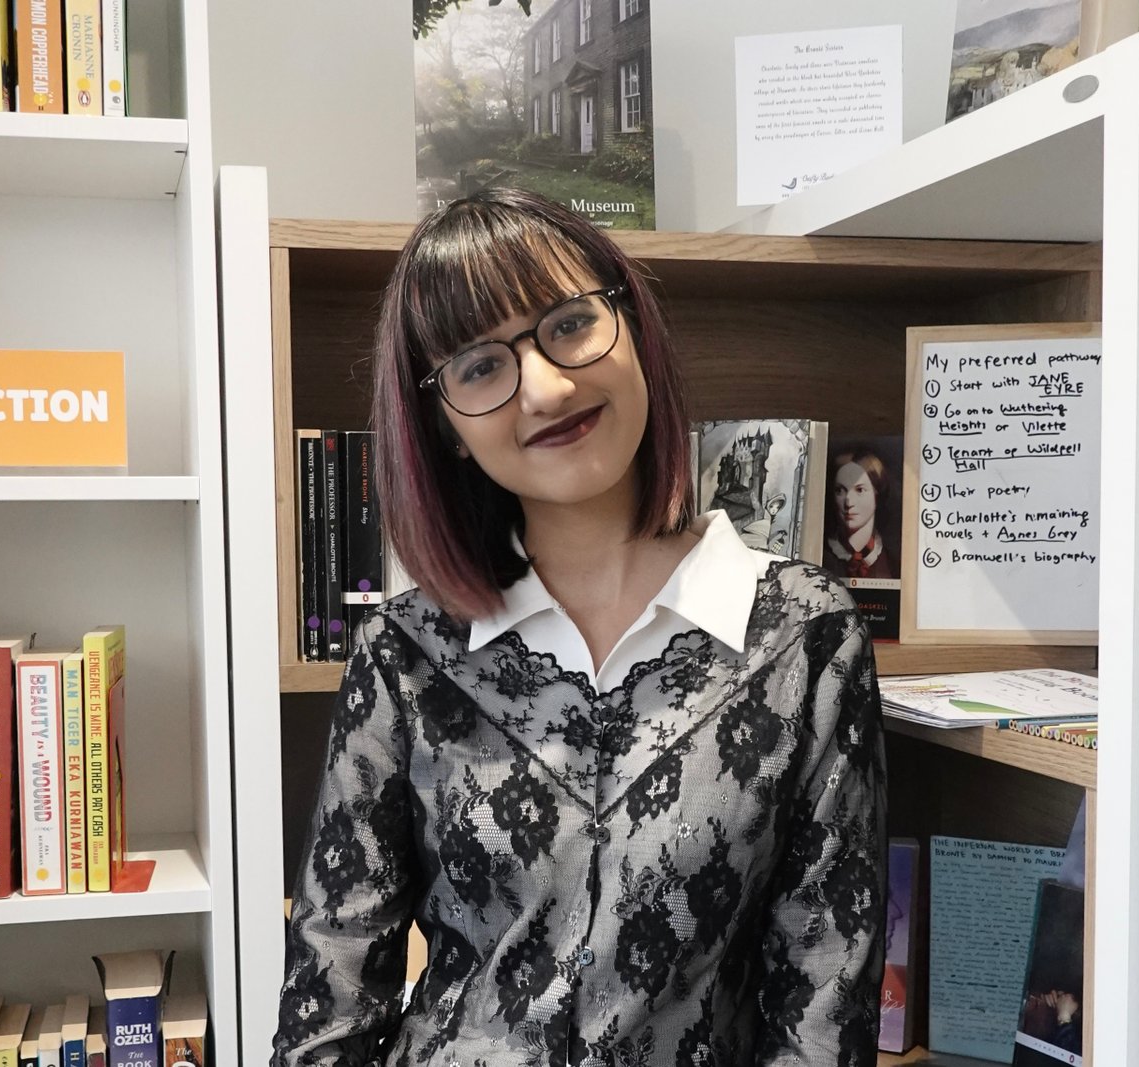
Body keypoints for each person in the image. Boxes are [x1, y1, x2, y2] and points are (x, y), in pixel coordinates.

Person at [273, 189, 887, 1066]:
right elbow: (328, 1007)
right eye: (480, 366)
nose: (548, 388)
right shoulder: (405, 653)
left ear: (632, 325)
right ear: (445, 424)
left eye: (568, 324)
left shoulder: (806, 637)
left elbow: (824, 1010)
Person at [824, 449, 898, 580]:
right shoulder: (821, 559)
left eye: (859, 490)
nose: (849, 502)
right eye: (840, 490)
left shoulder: (893, 564)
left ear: (876, 494)